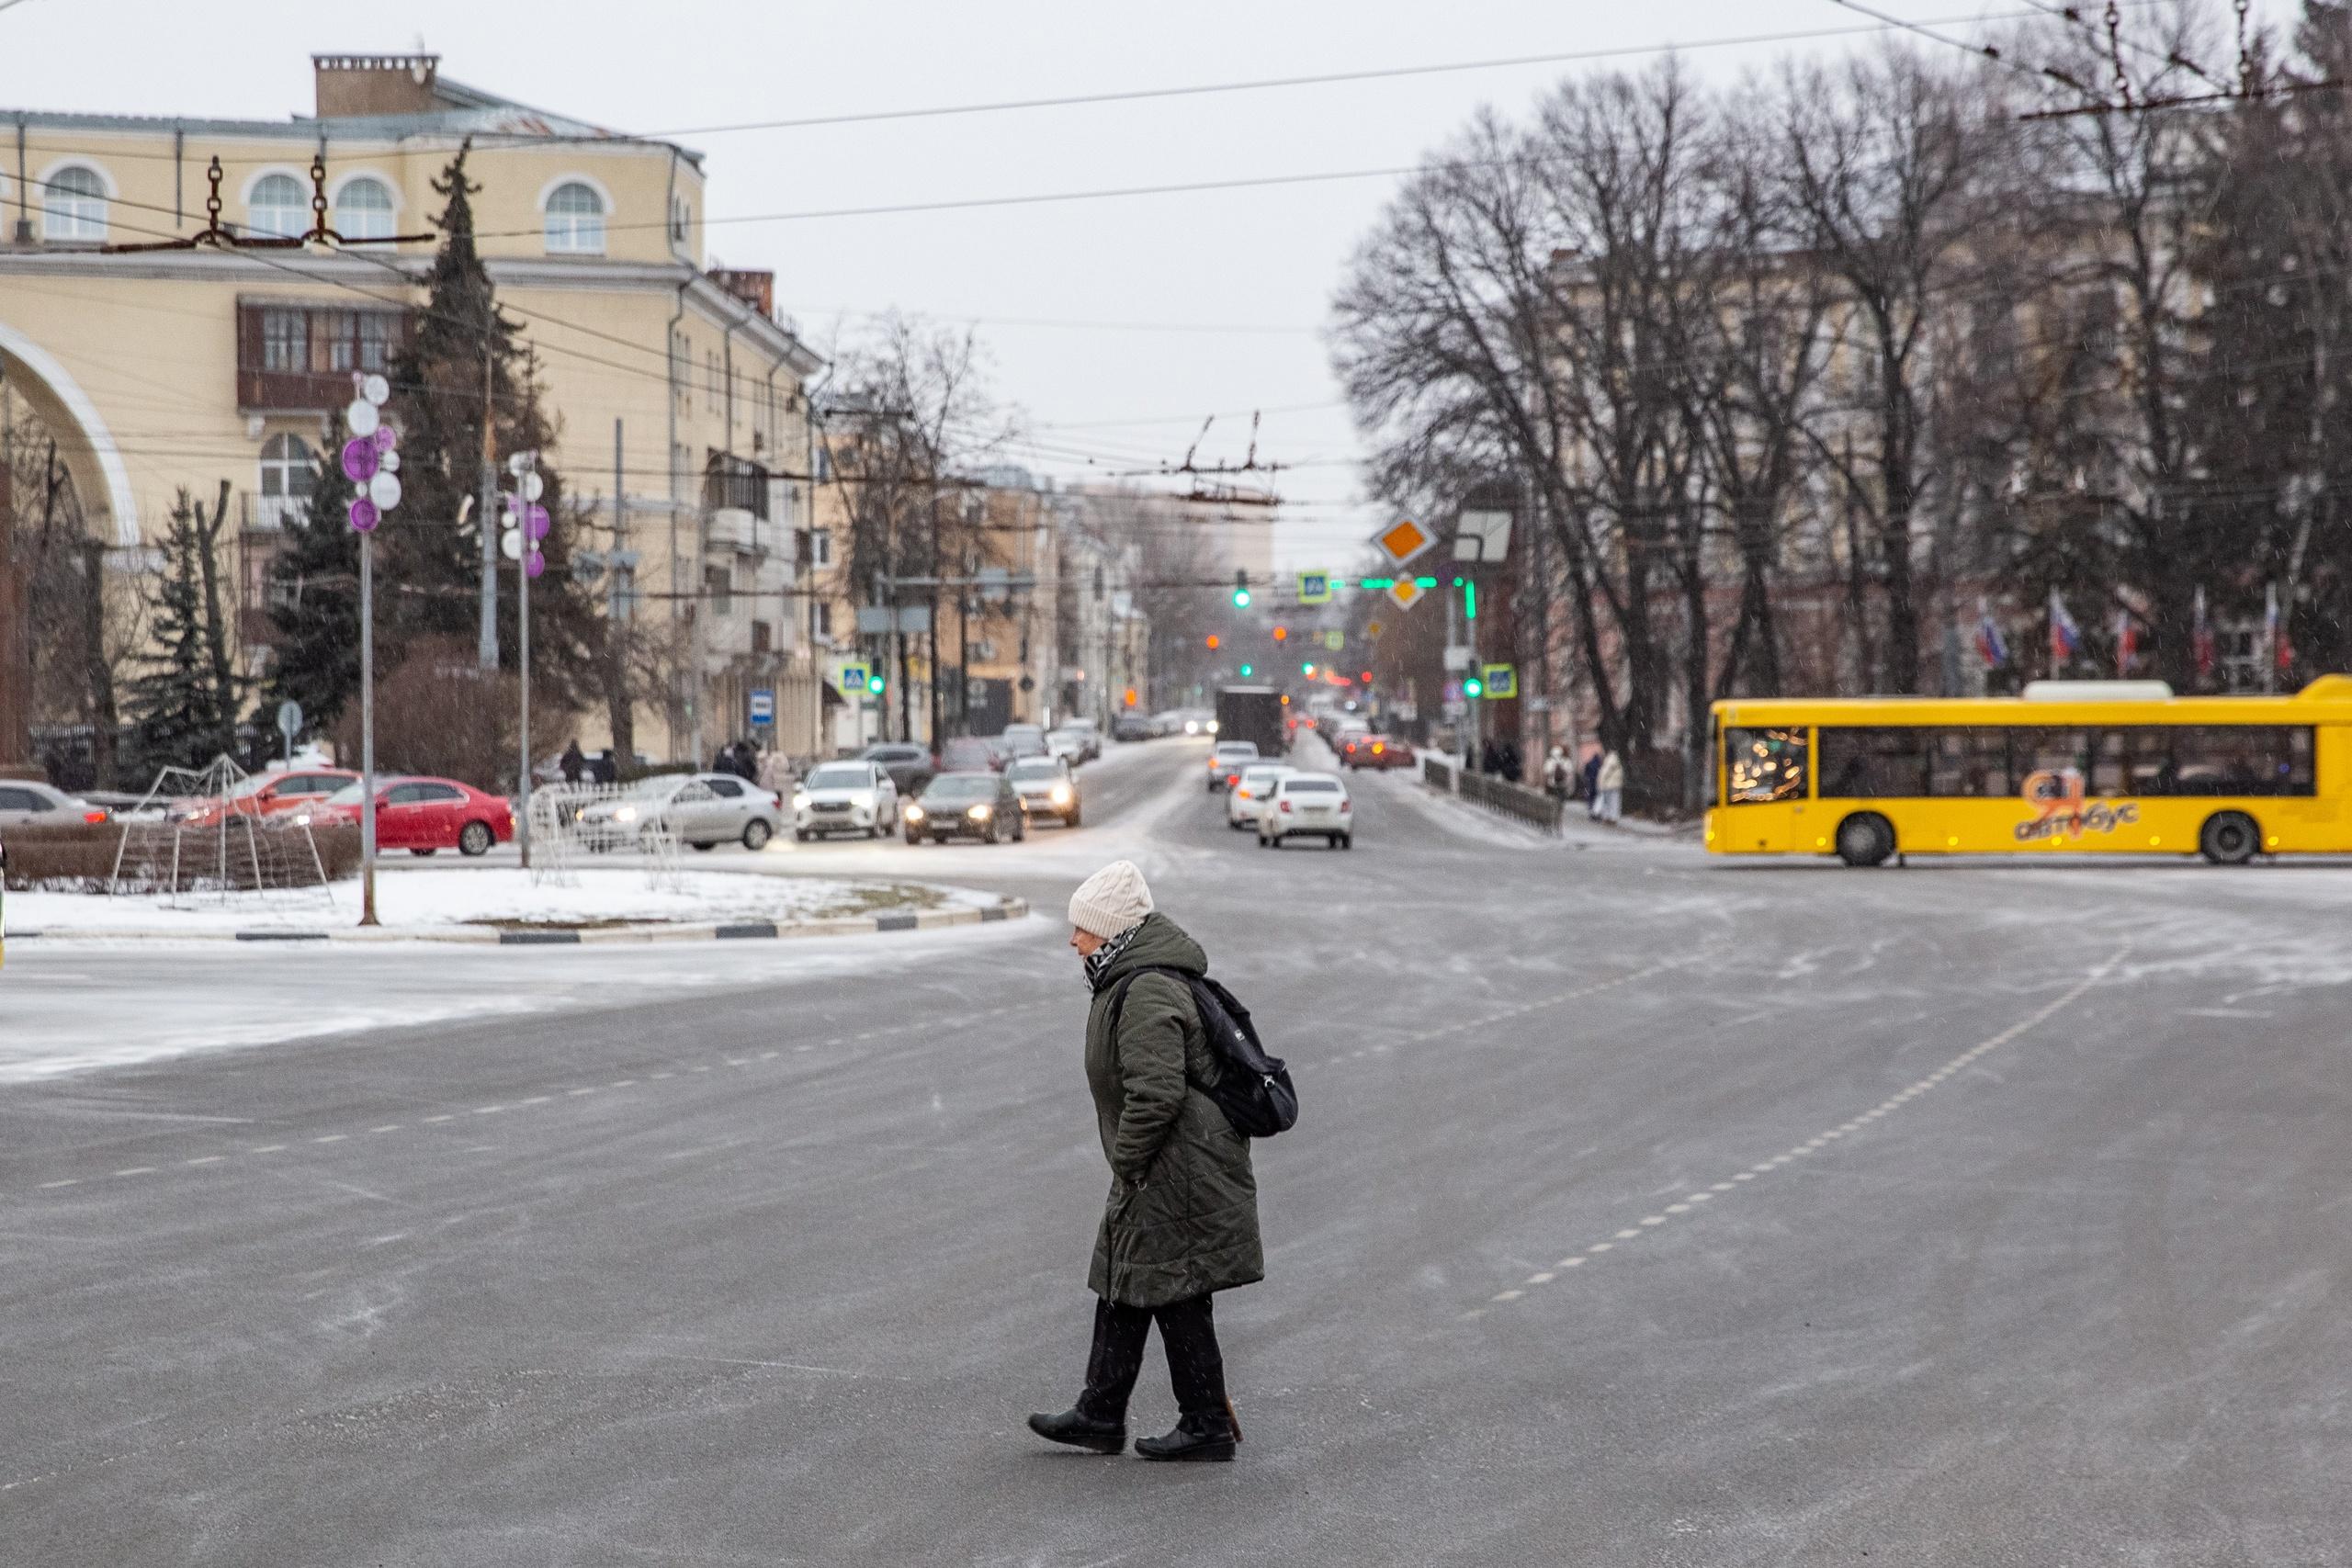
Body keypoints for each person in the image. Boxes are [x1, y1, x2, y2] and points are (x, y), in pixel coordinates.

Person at [1029, 861, 1261, 1462]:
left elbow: (1156, 1092)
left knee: (1174, 1287)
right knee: (1128, 1277)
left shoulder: (1147, 987)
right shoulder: (1124, 978)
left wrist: (1128, 1161)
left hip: (1177, 1163)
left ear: (1110, 930)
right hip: (1166, 1161)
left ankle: (1203, 1421)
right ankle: (1101, 1412)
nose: (1073, 939)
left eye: (1083, 927)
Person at [1596, 746, 1625, 825]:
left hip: (1608, 785)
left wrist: (1600, 782)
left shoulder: (1610, 759)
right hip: (1616, 785)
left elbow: (1605, 772)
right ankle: (1613, 817)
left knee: (1607, 802)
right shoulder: (1618, 760)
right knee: (1615, 802)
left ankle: (1608, 818)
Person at [1580, 750, 1604, 818]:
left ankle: (1591, 809)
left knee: (1590, 796)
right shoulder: (1599, 764)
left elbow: (1585, 773)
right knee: (1596, 796)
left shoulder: (1589, 763)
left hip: (1590, 782)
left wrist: (1586, 779)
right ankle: (1595, 810)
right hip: (1597, 783)